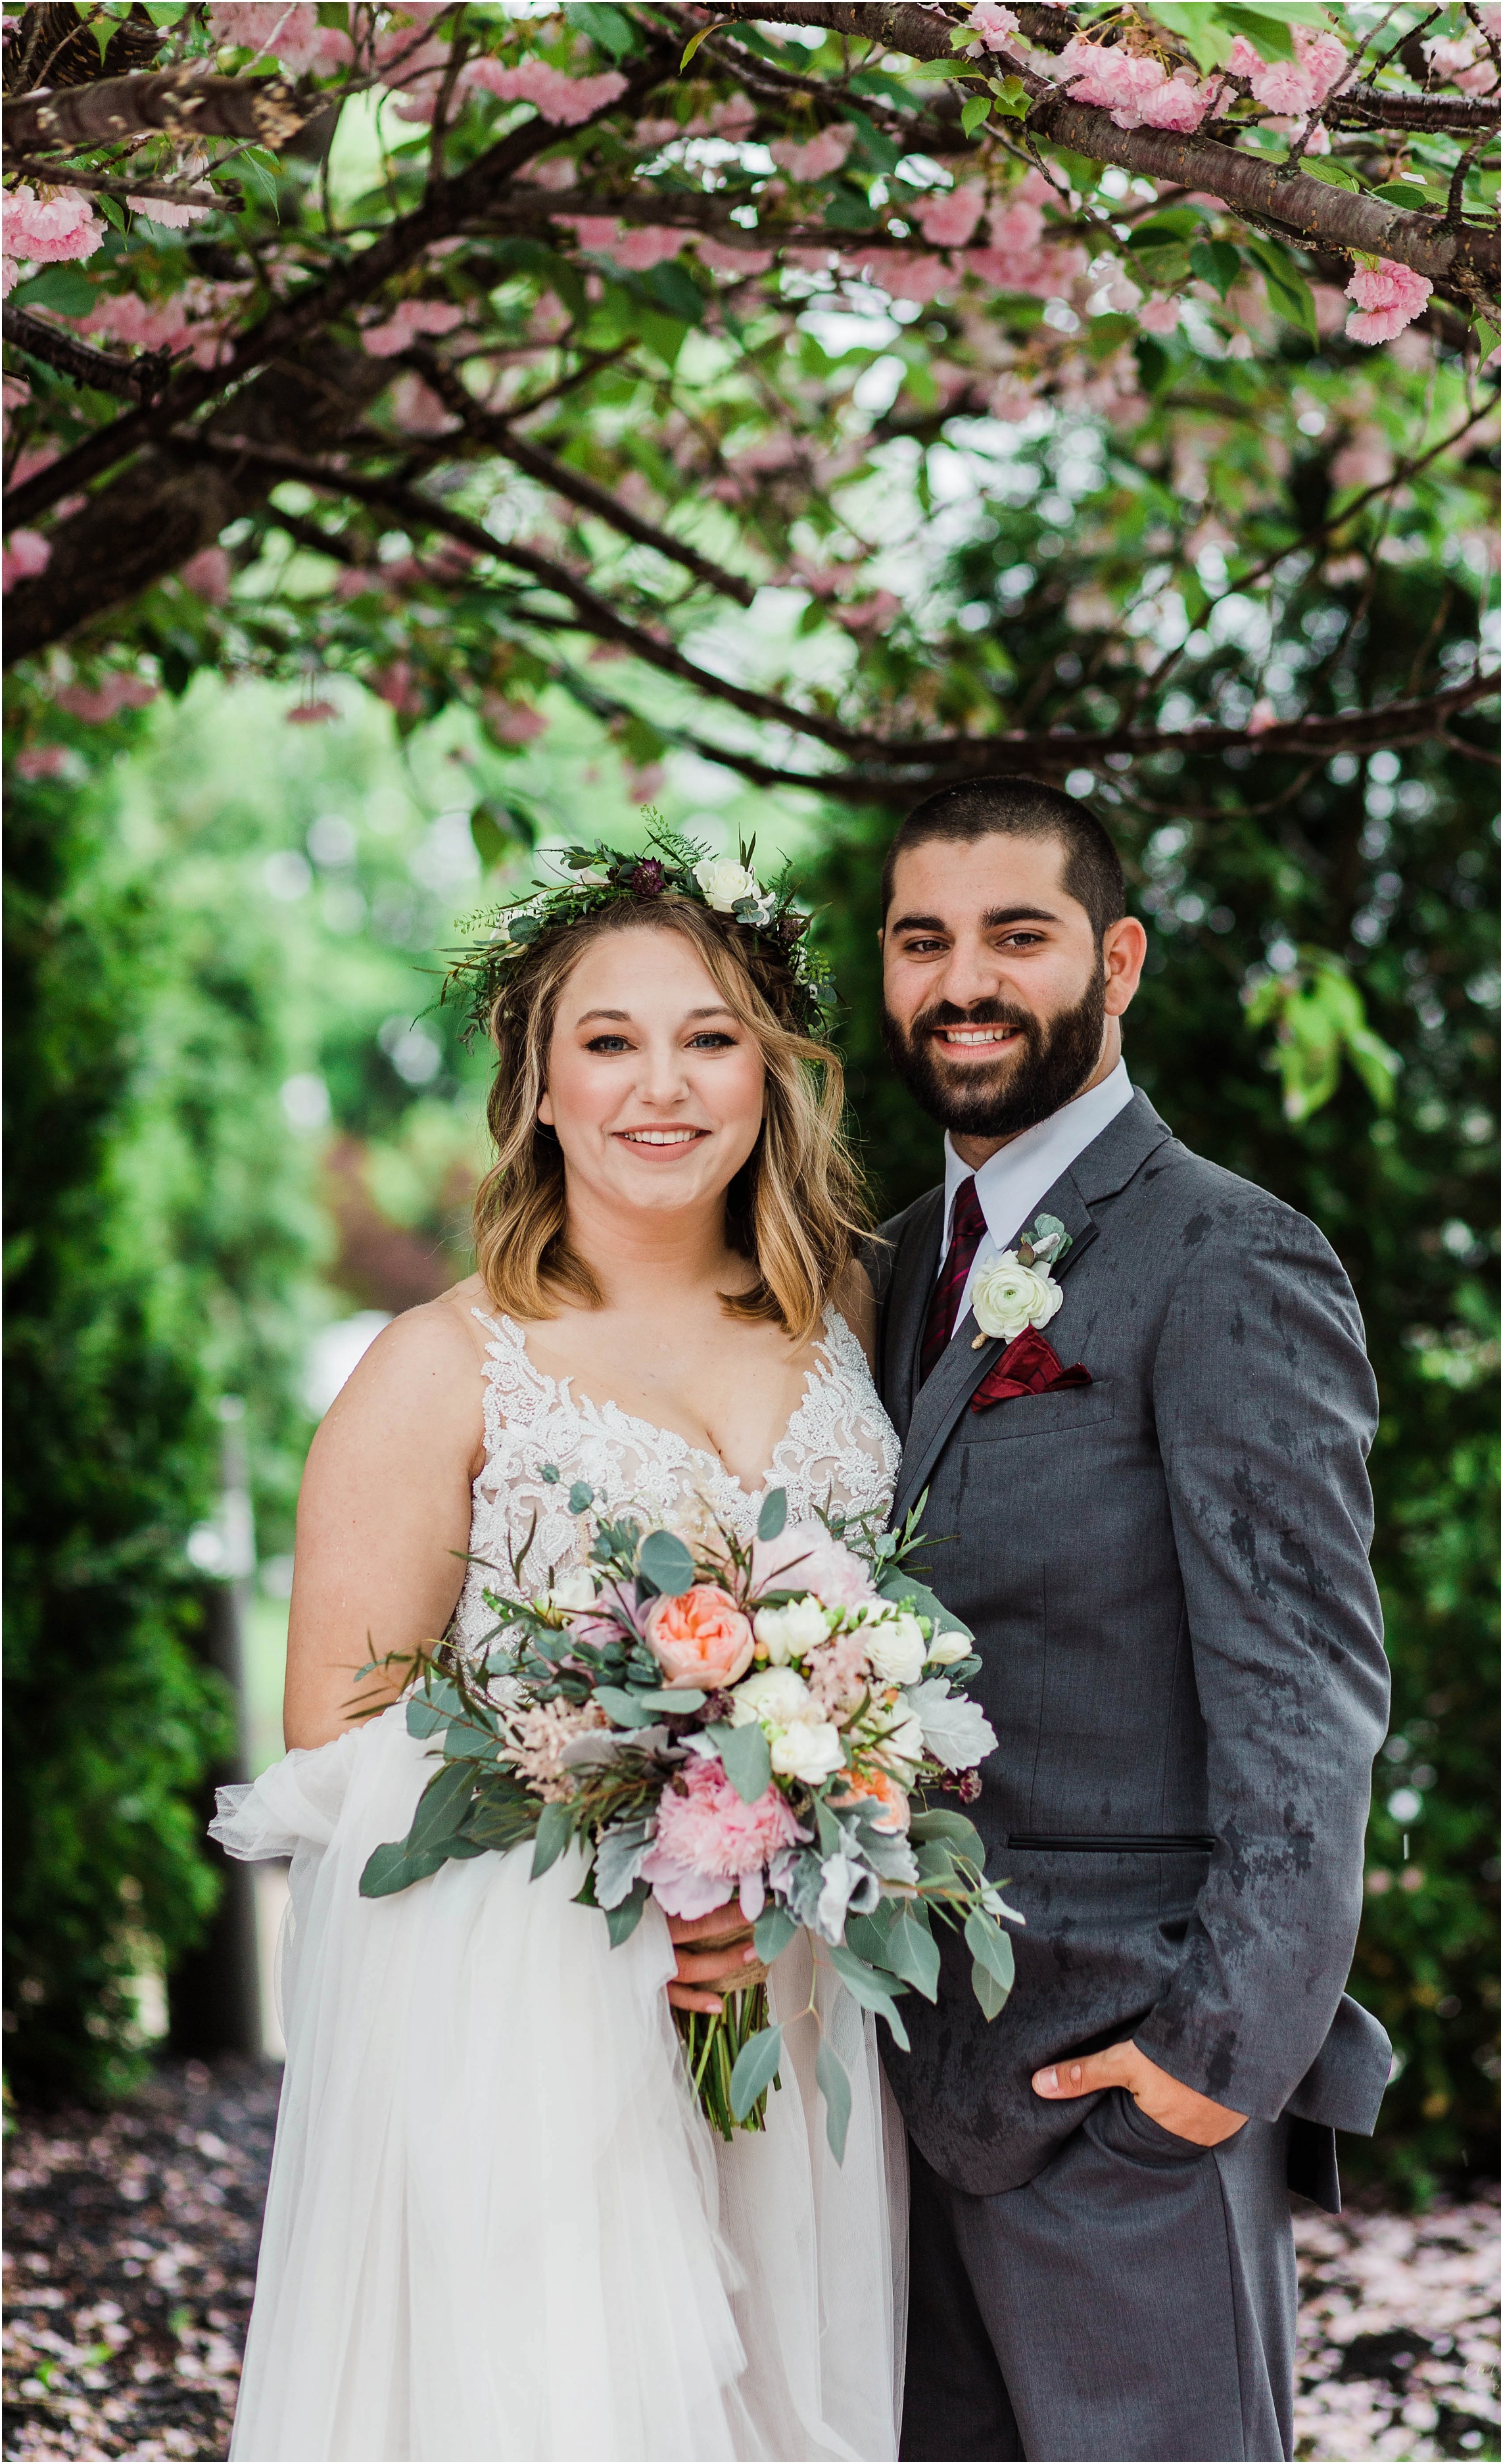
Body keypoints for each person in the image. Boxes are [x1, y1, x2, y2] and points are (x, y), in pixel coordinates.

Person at [212, 858, 906, 2461]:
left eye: (710, 1037)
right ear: (532, 1082)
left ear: (776, 1072)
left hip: (797, 2015)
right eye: (607, 1042)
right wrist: (654, 1857)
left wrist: (795, 1814)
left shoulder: (851, 1311)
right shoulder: (439, 1367)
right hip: (538, 2049)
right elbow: (339, 1756)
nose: (659, 1086)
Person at [869, 777, 1393, 2464]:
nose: (965, 980)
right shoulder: (868, 1275)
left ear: (1115, 960)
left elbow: (1303, 1695)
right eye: (922, 938)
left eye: (1015, 936)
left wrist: (1209, 2060)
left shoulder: (1226, 1257)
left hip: (1122, 2073)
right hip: (883, 2076)